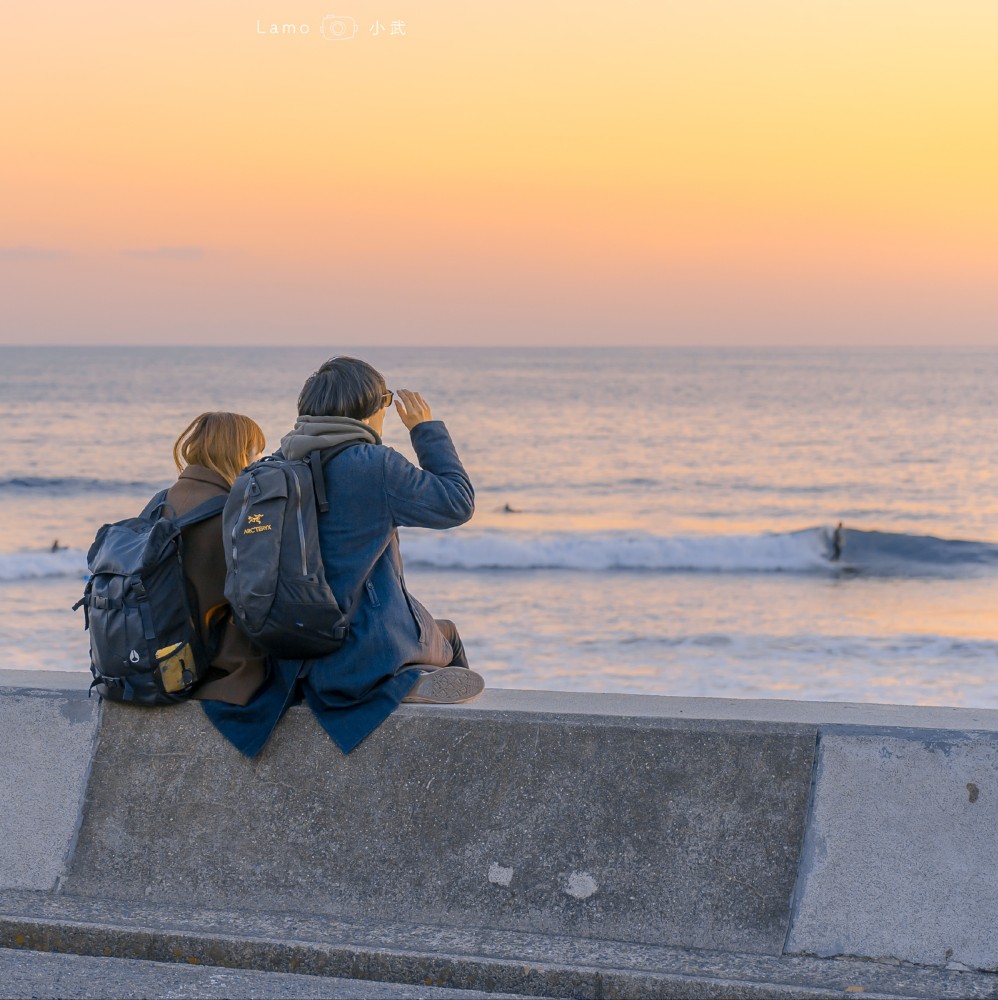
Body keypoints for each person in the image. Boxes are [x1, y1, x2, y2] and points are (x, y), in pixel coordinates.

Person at [202, 356, 483, 756]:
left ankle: (407, 678)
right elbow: (457, 503)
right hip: (358, 654)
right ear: (368, 409)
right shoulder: (374, 466)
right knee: (448, 634)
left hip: (283, 654)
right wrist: (425, 429)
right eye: (384, 402)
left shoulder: (270, 470)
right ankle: (434, 725)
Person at [166, 411, 269, 705]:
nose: (261, 459)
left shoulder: (163, 501)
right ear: (239, 452)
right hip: (218, 669)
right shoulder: (232, 512)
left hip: (165, 655)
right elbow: (255, 599)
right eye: (257, 450)